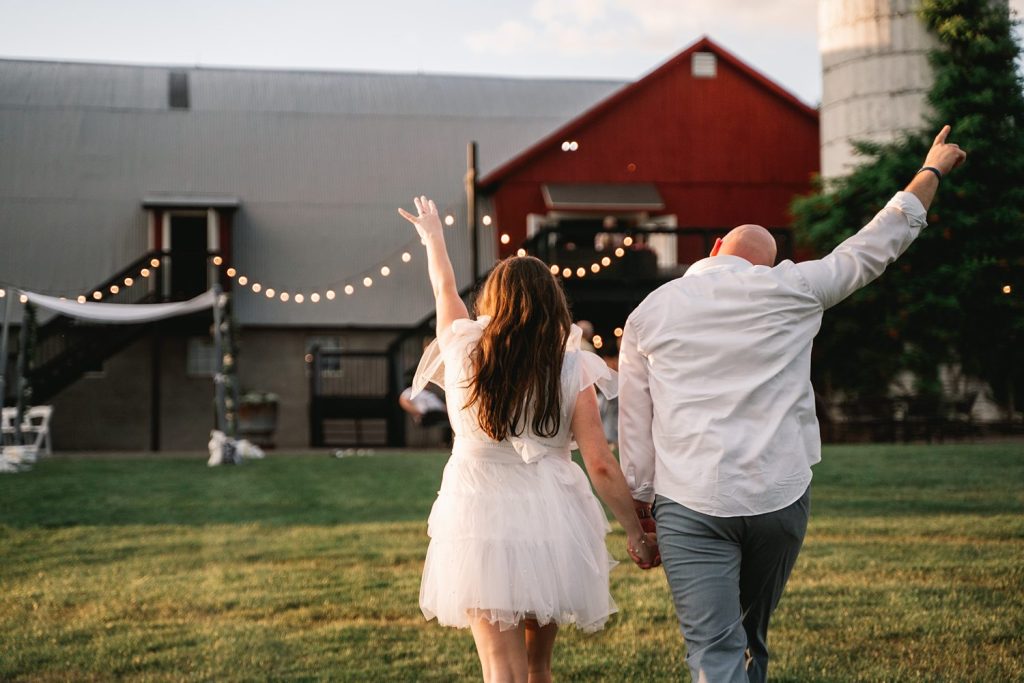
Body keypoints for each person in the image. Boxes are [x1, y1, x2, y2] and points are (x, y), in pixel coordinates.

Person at [617, 126, 967, 683]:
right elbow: (875, 246)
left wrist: (640, 499)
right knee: (752, 636)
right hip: (778, 496)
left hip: (690, 499)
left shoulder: (650, 311)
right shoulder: (794, 289)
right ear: (767, 265)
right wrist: (932, 172)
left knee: (713, 649)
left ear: (713, 251)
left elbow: (634, 419)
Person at [399, 195, 657, 683]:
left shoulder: (461, 347)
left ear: (490, 301)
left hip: (479, 512)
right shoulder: (572, 364)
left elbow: (444, 287)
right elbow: (599, 462)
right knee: (538, 670)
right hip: (552, 516)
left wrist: (433, 237)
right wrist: (636, 532)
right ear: (552, 303)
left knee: (502, 669)